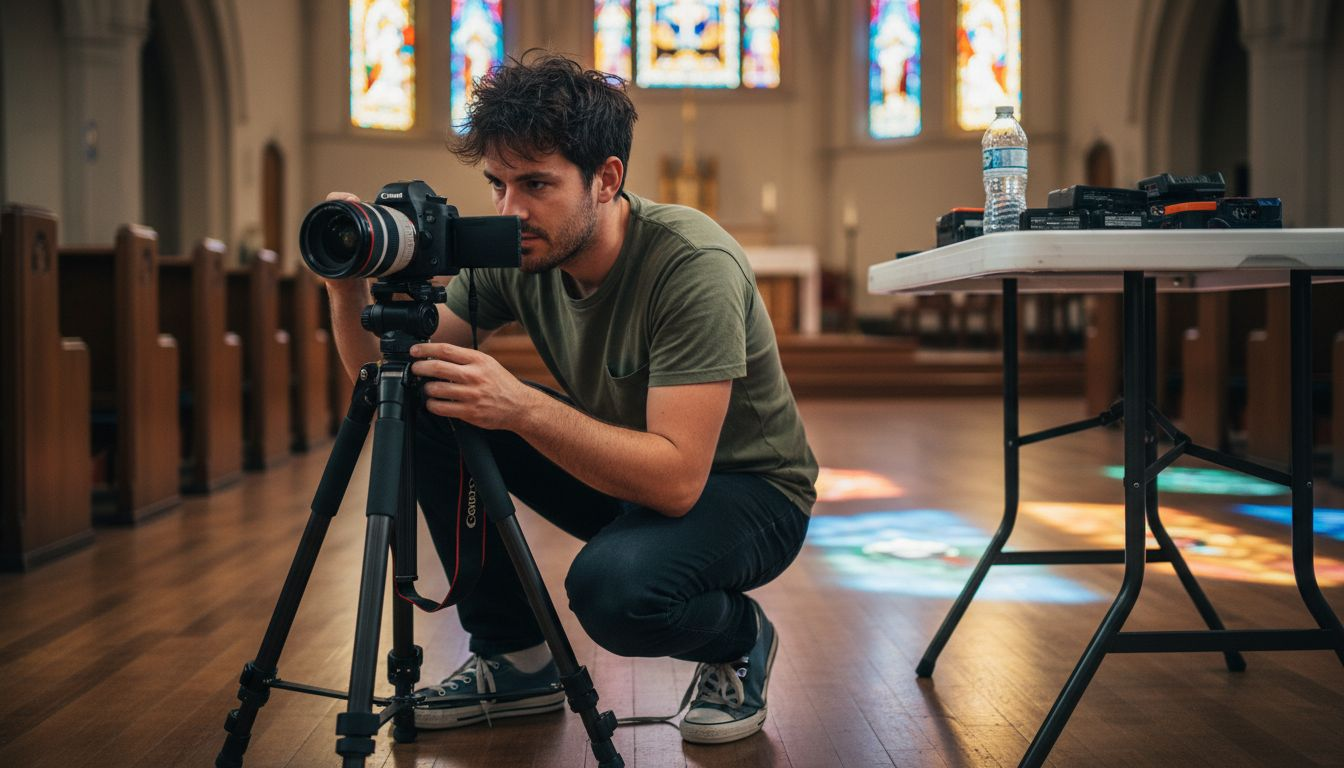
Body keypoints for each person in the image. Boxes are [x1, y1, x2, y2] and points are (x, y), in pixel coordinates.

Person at [322, 51, 817, 746]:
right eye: (496, 183)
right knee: (434, 396)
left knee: (613, 593)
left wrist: (522, 407)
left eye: (535, 184)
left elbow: (676, 483)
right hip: (633, 471)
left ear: (606, 179)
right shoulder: (520, 251)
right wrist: (347, 285)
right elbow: (387, 387)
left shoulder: (690, 265)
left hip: (748, 491)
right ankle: (516, 658)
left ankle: (737, 638)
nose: (509, 210)